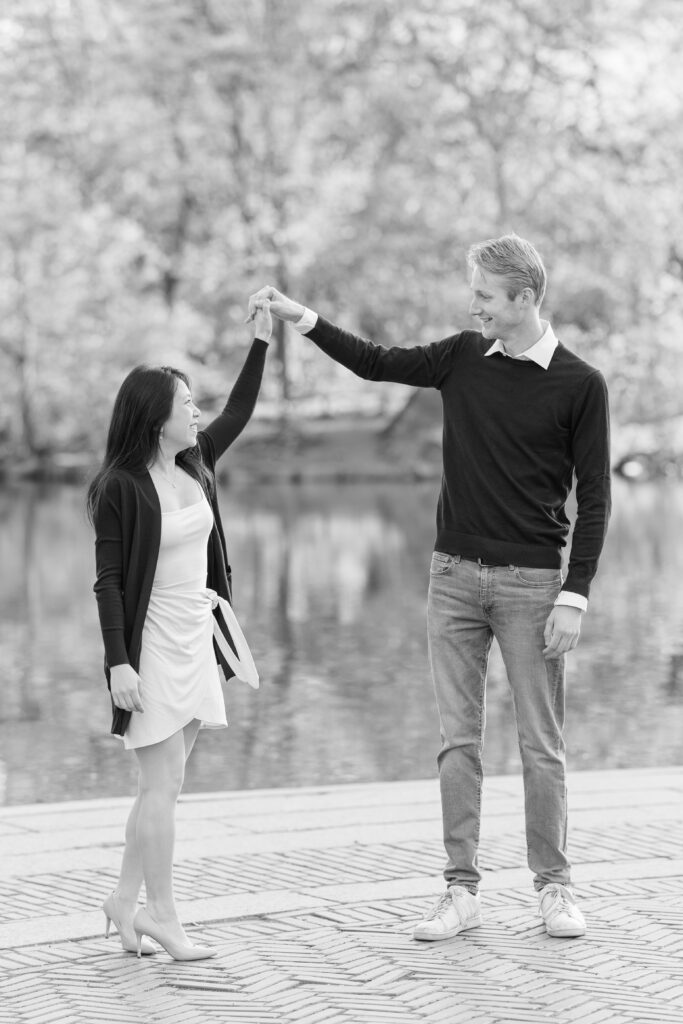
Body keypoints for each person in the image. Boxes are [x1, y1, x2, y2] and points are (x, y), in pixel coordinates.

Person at [248, 234, 611, 941]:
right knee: (456, 742)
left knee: (540, 742)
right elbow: (376, 363)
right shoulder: (460, 357)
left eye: (484, 296)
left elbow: (594, 499)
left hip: (534, 585)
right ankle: (459, 890)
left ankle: (555, 887)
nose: (473, 305)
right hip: (450, 577)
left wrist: (576, 593)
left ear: (523, 297)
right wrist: (300, 316)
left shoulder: (580, 385)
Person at [87, 301, 272, 961]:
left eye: (196, 403)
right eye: (185, 403)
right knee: (160, 784)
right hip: (151, 643)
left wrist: (259, 343)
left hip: (199, 633)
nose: (196, 413)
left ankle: (122, 900)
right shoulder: (121, 487)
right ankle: (161, 914)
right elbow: (108, 582)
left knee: (164, 785)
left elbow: (241, 411)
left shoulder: (196, 464)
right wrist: (119, 664)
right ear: (153, 417)